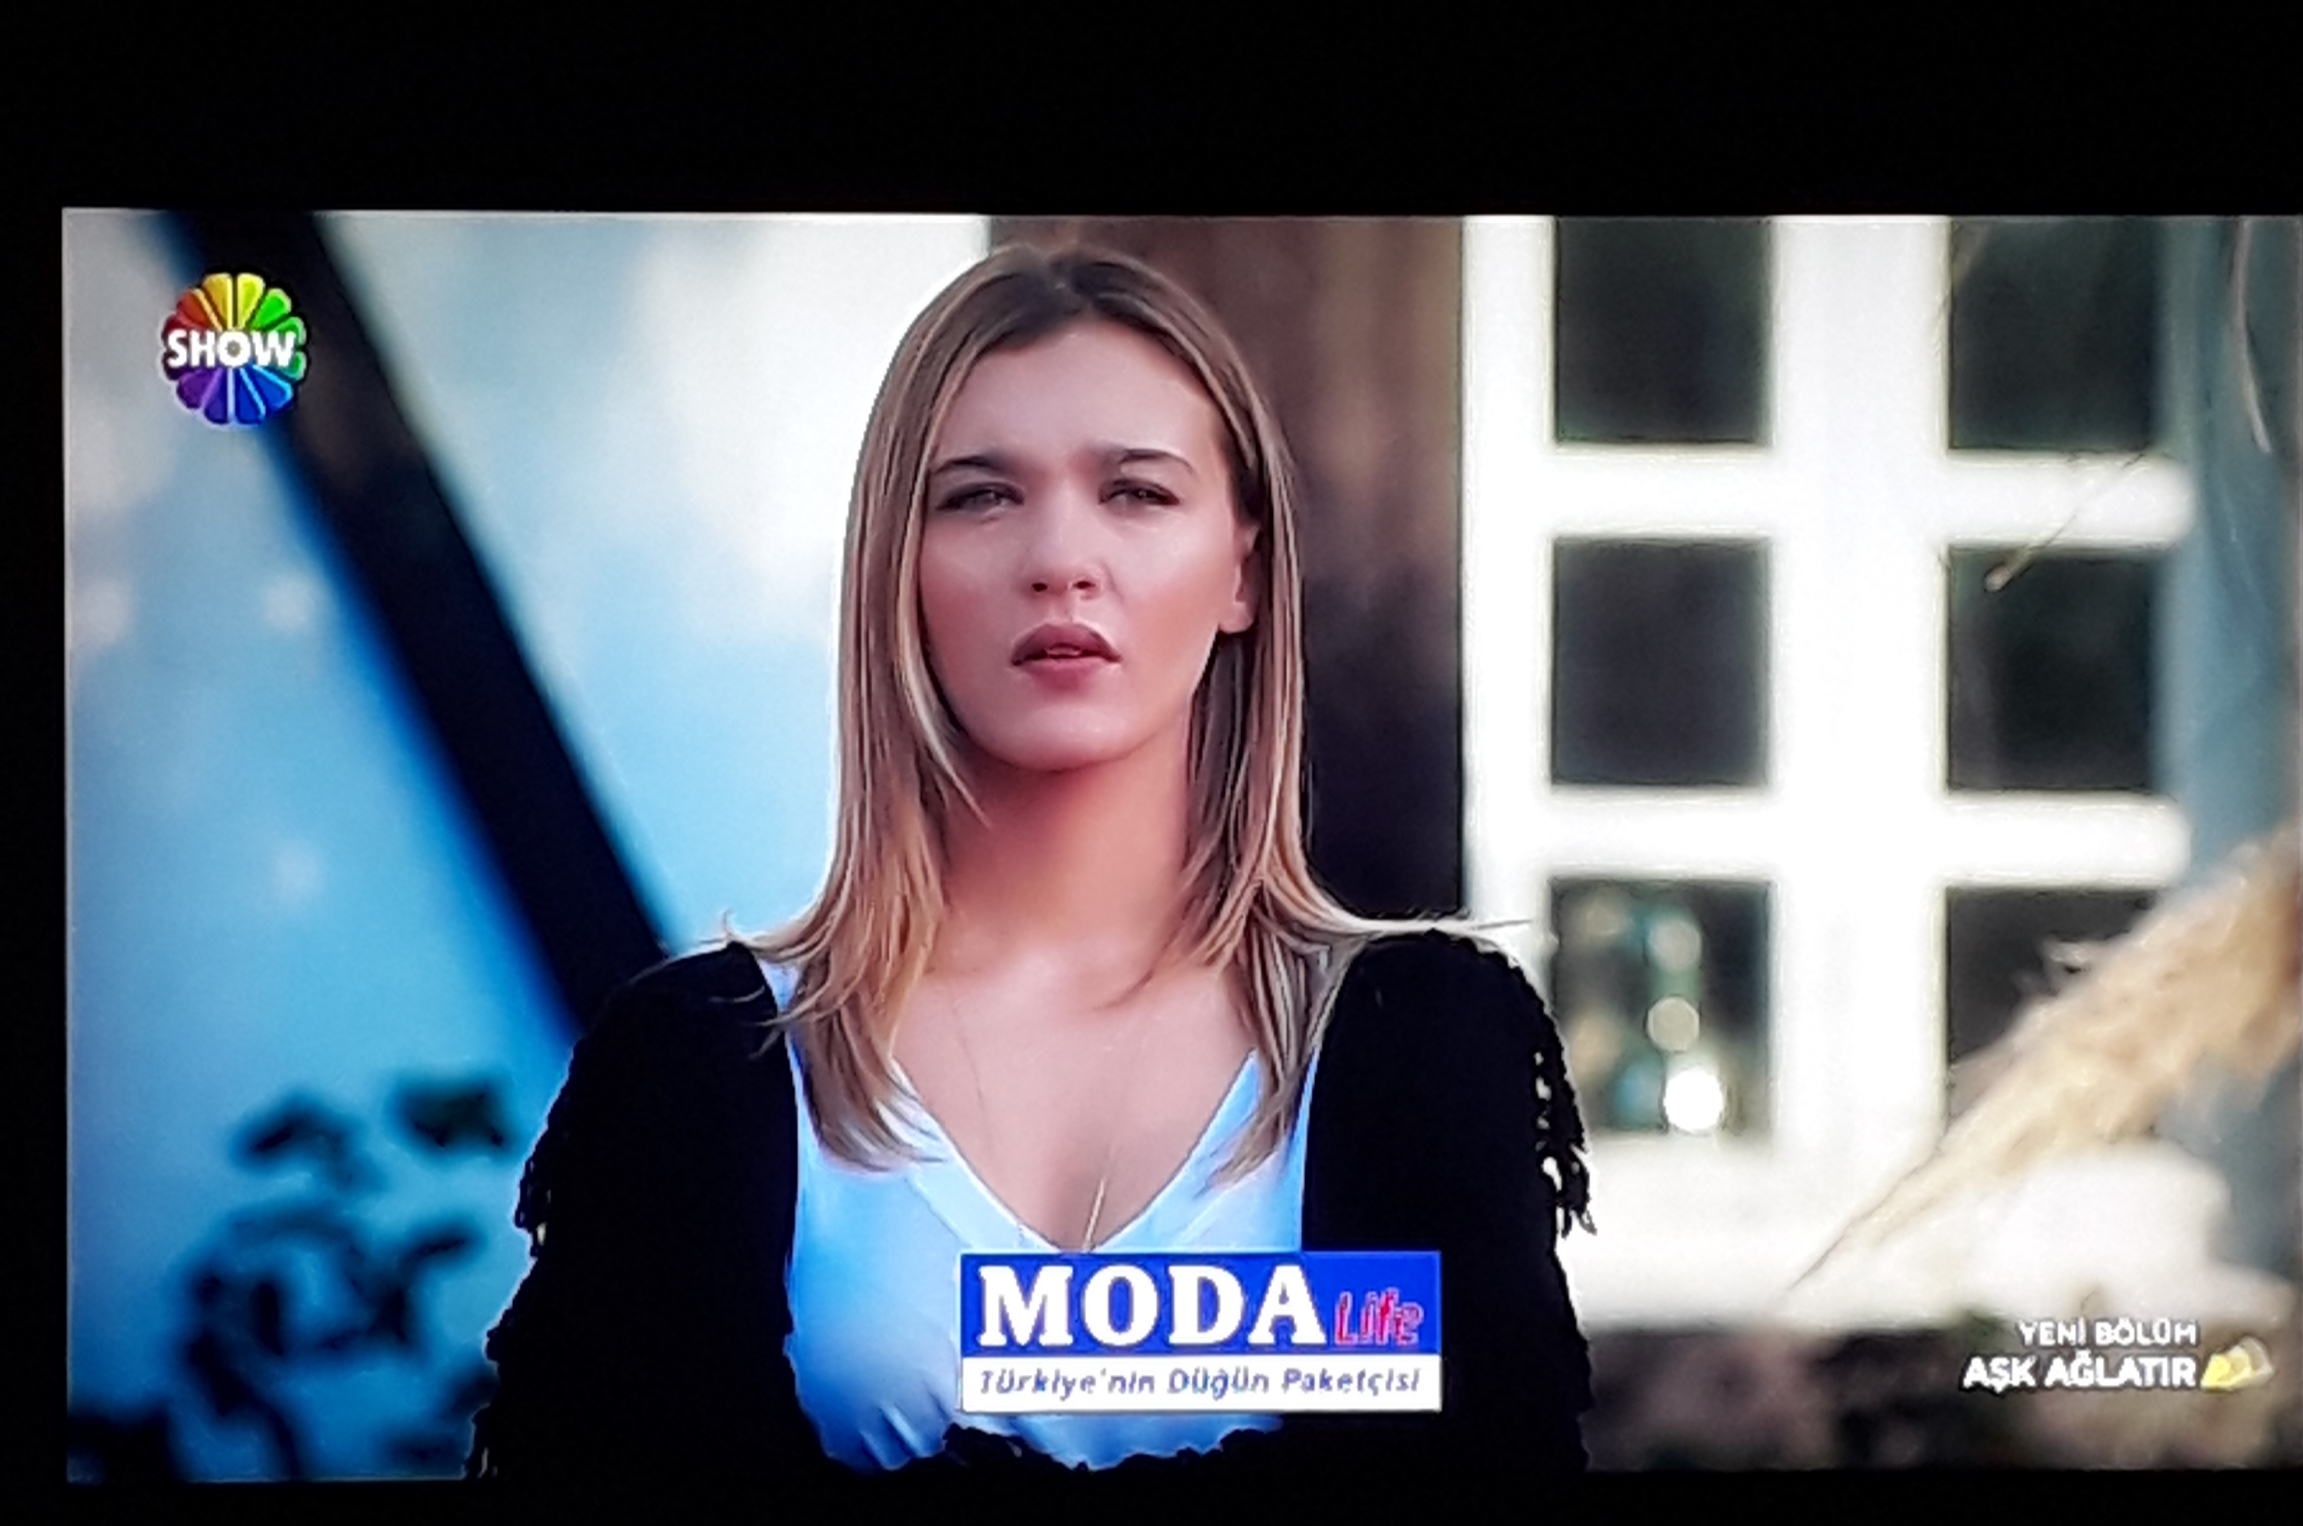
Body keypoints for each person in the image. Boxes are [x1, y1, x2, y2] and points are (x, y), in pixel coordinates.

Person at [465, 242, 1594, 1487]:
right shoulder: (699, 1064)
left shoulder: (1419, 1048)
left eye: (1137, 492)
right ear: (897, 567)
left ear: (1244, 569)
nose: (1060, 556)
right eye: (981, 497)